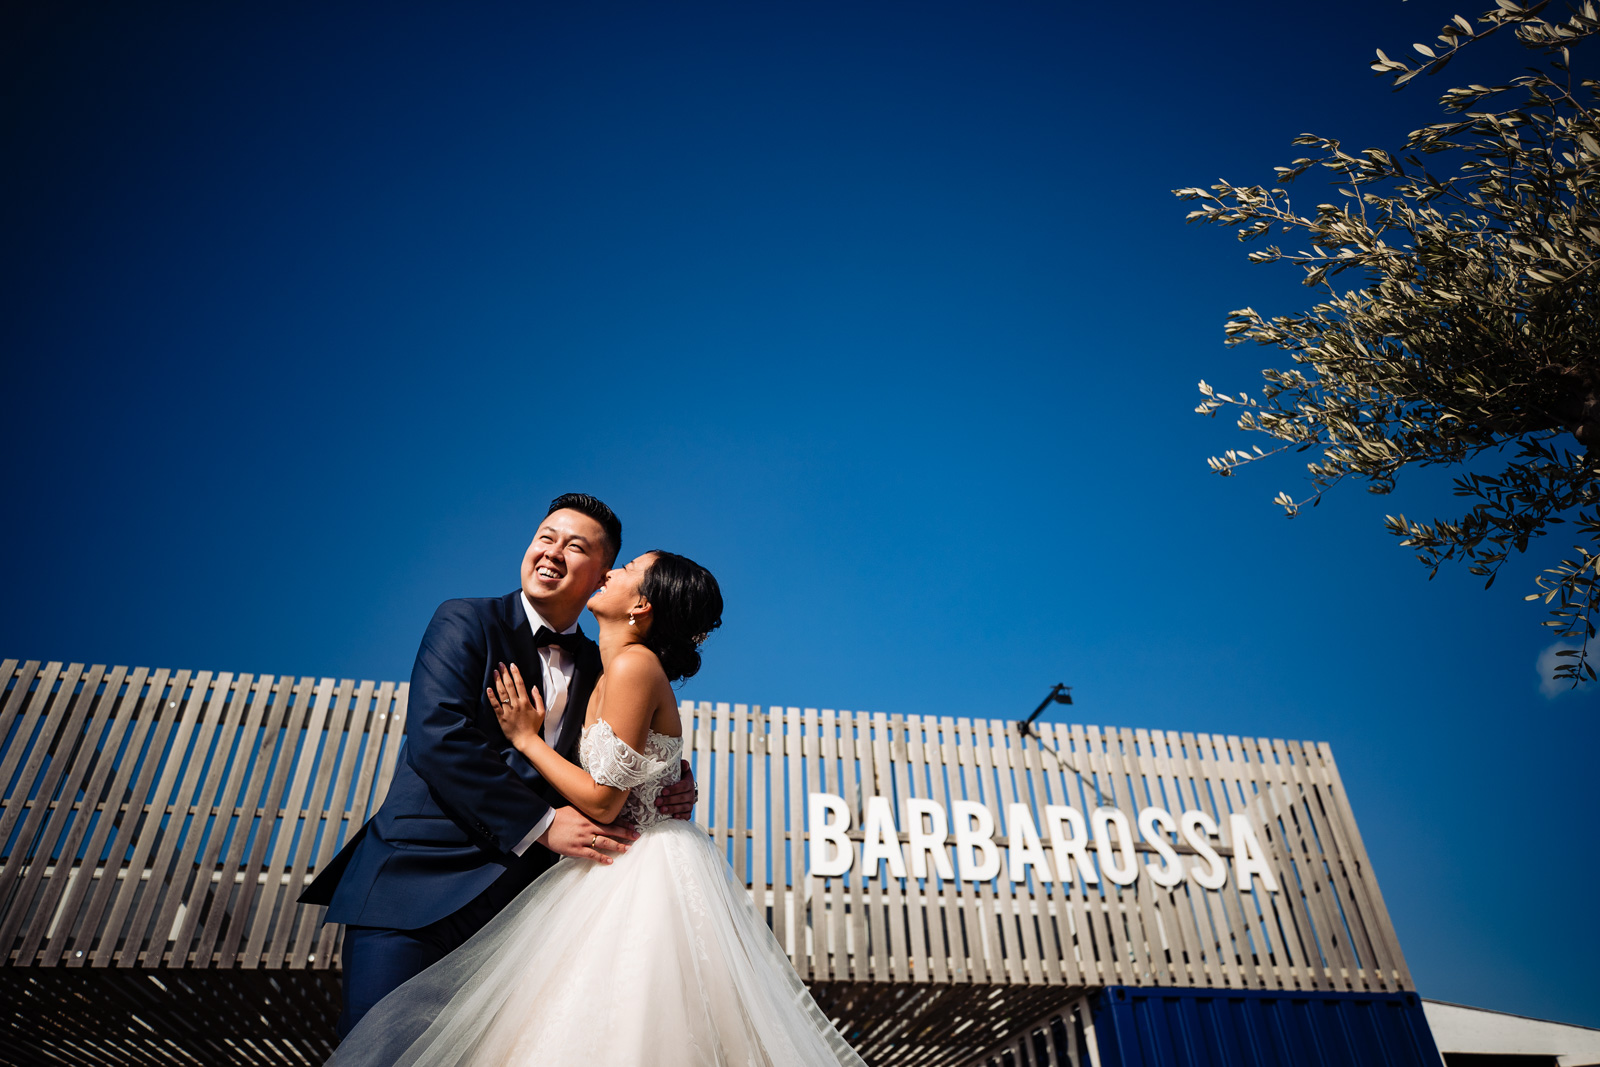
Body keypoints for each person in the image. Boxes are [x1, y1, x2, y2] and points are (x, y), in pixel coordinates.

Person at [324, 550, 868, 1067]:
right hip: (591, 865)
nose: (611, 571)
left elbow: (606, 801)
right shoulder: (606, 668)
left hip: (637, 869)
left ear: (642, 605)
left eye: (626, 567)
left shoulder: (632, 666)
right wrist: (667, 773)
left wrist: (526, 739)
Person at [299, 493, 697, 1039]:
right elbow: (438, 740)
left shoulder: (602, 662)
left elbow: (629, 739)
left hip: (525, 915)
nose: (551, 552)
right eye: (545, 537)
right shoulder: (465, 620)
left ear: (603, 576)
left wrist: (675, 779)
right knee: (378, 1050)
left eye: (575, 546)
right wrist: (544, 824)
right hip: (416, 891)